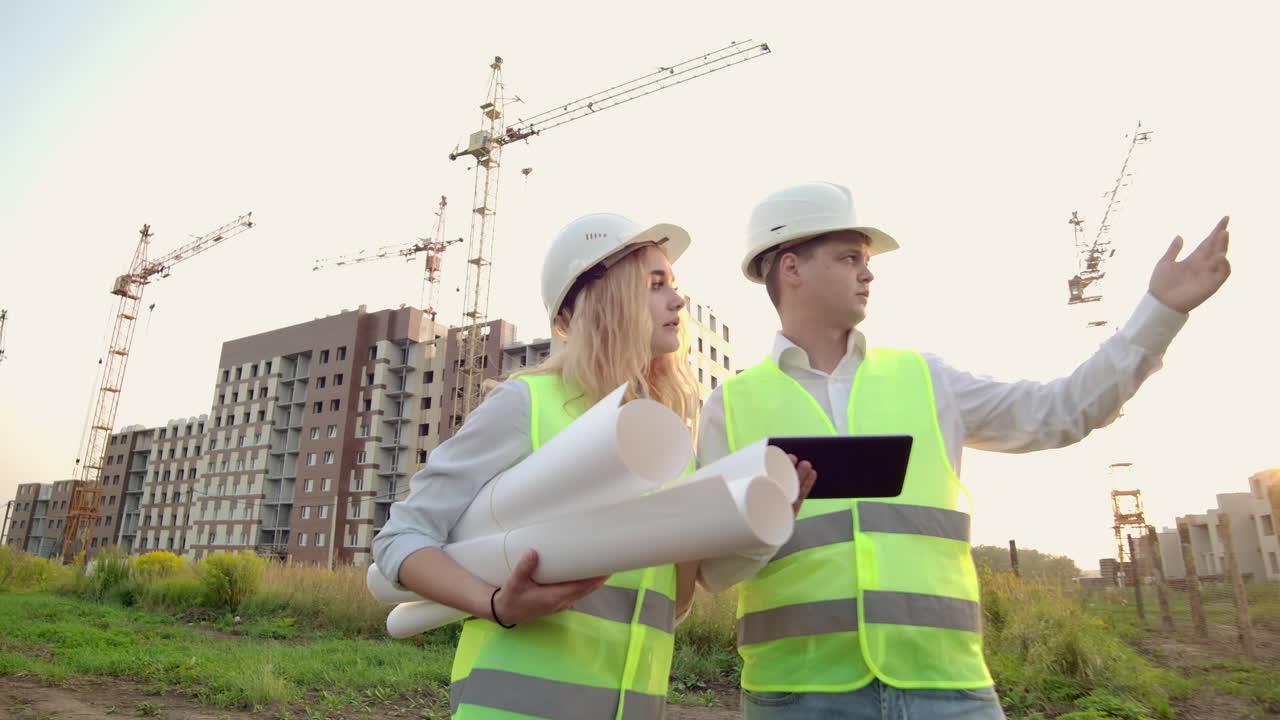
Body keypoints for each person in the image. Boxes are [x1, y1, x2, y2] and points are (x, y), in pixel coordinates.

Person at [696, 181, 1232, 719]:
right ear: (791, 269)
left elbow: (1062, 410)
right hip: (798, 695)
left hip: (946, 688)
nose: (868, 272)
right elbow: (714, 572)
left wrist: (1160, 312)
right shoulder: (731, 406)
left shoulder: (927, 380)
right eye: (849, 258)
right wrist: (765, 523)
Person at [373, 212, 703, 719]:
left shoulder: (669, 437)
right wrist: (496, 605)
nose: (677, 299)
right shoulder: (527, 403)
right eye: (655, 283)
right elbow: (402, 539)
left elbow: (666, 605)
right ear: (601, 297)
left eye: (674, 285)